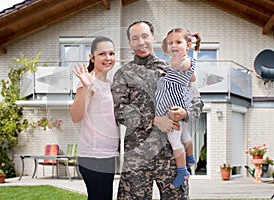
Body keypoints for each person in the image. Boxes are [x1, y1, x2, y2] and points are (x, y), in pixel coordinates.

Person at [111, 21, 203, 199]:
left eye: (145, 36)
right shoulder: (123, 74)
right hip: (137, 157)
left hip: (171, 156)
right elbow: (119, 110)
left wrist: (185, 113)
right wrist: (153, 120)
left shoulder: (174, 68)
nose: (141, 42)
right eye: (135, 38)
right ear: (130, 43)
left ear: (153, 38)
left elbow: (196, 101)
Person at [70, 36, 119, 200]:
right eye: (102, 54)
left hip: (108, 154)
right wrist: (86, 87)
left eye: (111, 53)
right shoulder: (89, 82)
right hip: (92, 156)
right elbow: (76, 116)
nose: (108, 58)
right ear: (92, 57)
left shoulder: (111, 84)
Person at [156, 28, 201, 188]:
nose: (174, 46)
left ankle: (182, 171)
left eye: (178, 42)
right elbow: (193, 76)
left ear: (187, 45)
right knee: (185, 134)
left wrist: (176, 60)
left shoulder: (183, 61)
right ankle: (190, 157)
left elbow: (184, 65)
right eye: (171, 43)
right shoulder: (181, 64)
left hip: (174, 110)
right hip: (177, 105)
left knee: (174, 140)